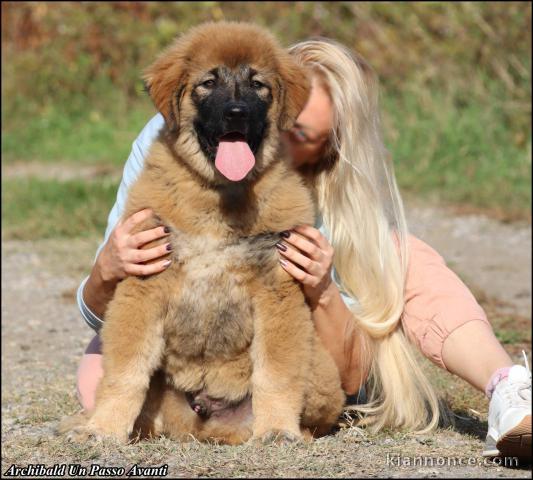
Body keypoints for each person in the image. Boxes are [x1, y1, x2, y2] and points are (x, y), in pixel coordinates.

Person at [76, 37, 531, 459]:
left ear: (330, 147)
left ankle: (509, 389)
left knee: (410, 259)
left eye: (302, 135)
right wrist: (107, 270)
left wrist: (321, 291)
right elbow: (105, 308)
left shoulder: (331, 204)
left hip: (288, 359)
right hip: (180, 351)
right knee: (96, 381)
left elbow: (345, 375)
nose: (243, 116)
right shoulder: (171, 139)